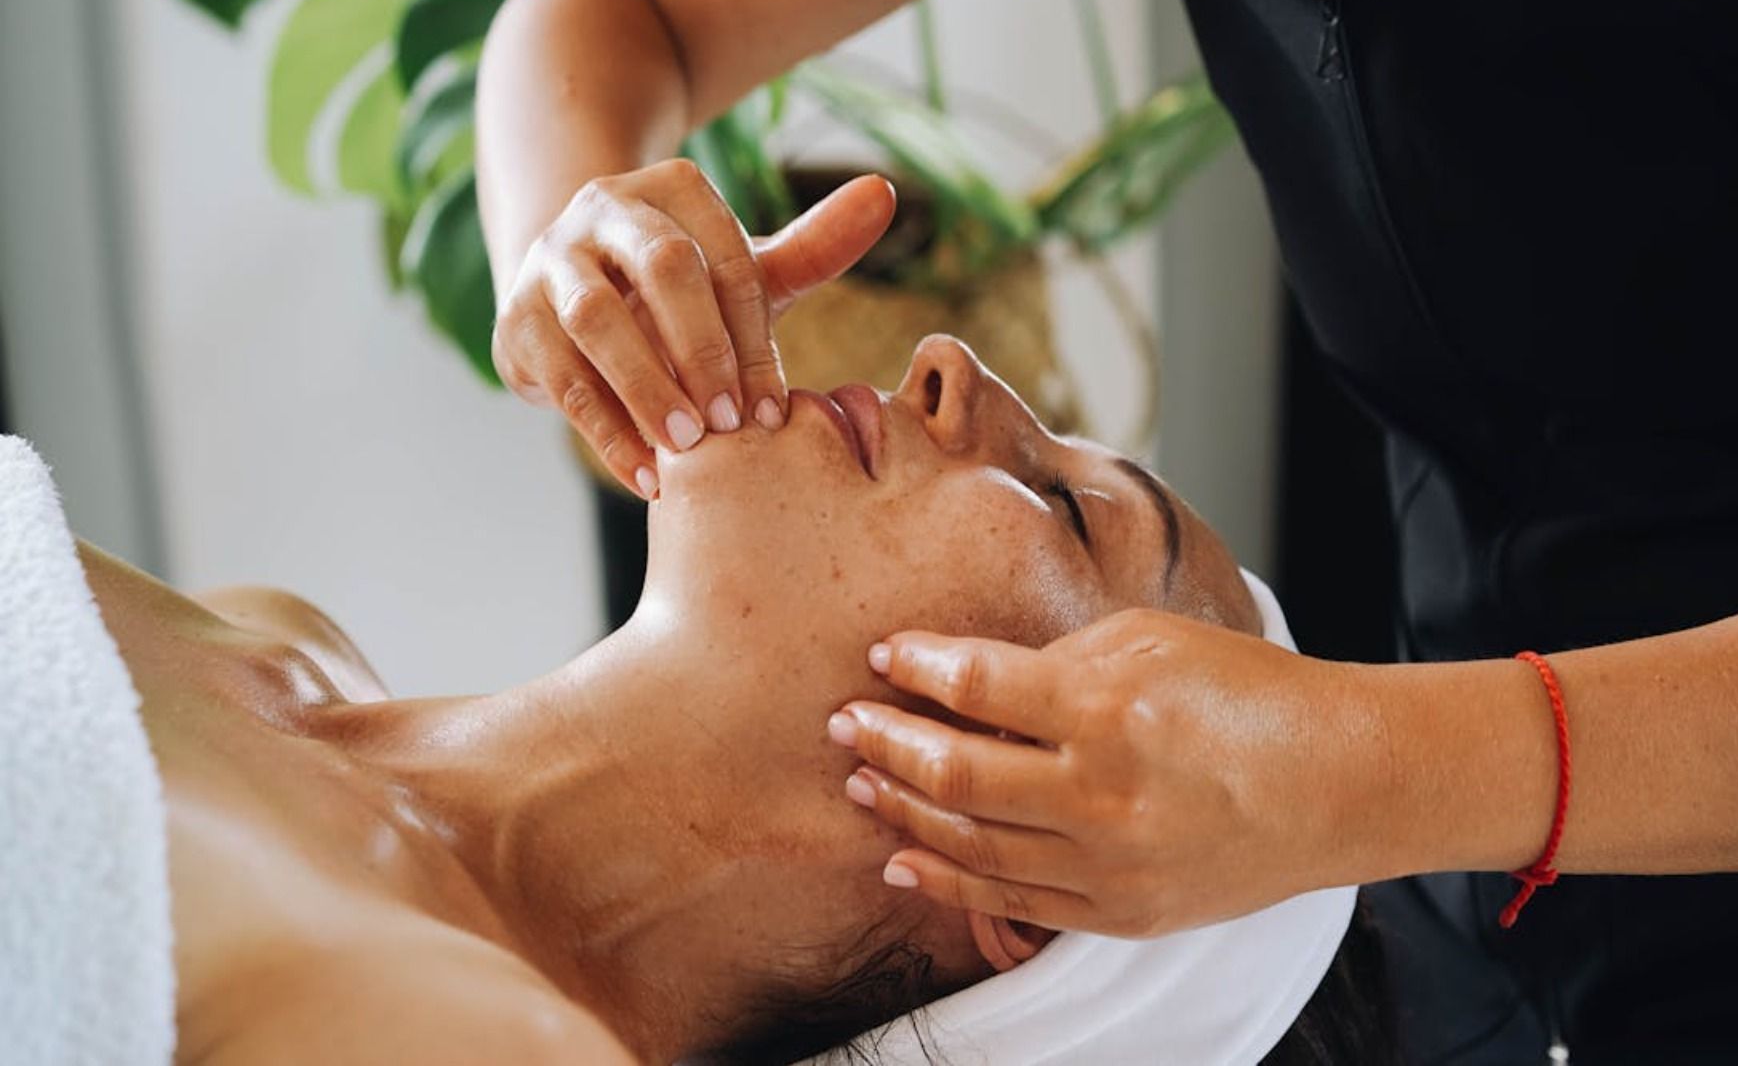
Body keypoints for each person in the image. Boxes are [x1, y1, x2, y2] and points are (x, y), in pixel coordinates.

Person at [476, 0, 1738, 1061]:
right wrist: (576, 248)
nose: (943, 366)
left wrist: (1359, 772)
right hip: (1464, 883)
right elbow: (622, 18)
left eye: (1065, 506)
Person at [94, 339, 1384, 1064]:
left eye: (1065, 510)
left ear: (1030, 866)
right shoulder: (274, 644)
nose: (951, 369)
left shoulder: (450, 1040)